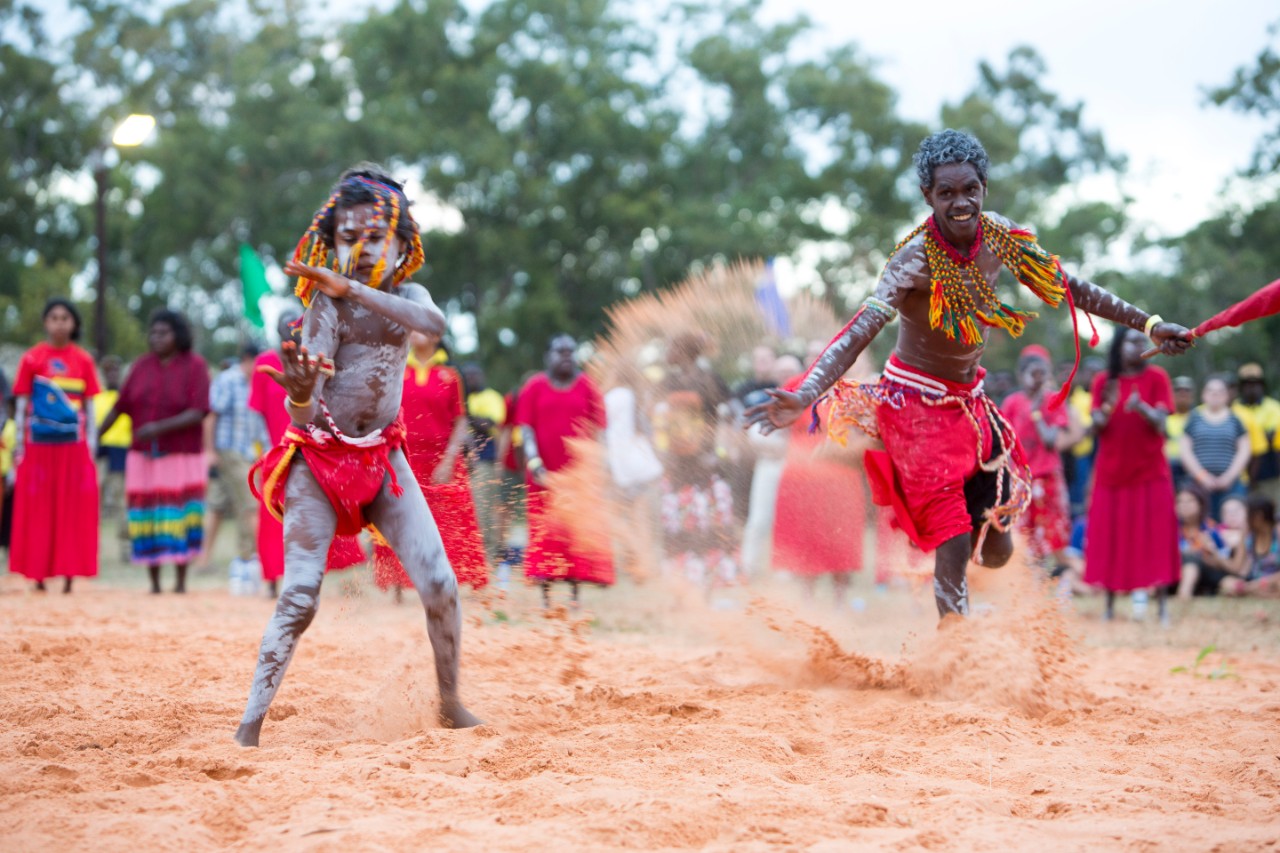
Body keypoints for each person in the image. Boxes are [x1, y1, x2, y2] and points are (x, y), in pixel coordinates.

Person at [746, 129, 1193, 620]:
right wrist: (808, 391)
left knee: (997, 550)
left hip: (970, 403)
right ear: (928, 196)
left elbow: (1069, 286)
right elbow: (859, 331)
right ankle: (955, 649)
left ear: (984, 187)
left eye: (969, 190)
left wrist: (1148, 323)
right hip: (913, 406)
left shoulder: (999, 235)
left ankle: (972, 574)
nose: (960, 203)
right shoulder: (913, 259)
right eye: (946, 193)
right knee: (953, 535)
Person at [236, 165, 478, 746]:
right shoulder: (326, 306)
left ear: (402, 243)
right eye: (349, 239)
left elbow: (432, 325)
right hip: (318, 465)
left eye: (375, 238)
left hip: (383, 463)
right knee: (298, 598)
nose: (362, 249)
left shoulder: (409, 296)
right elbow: (304, 412)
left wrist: (355, 288)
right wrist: (298, 393)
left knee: (441, 585)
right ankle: (249, 726)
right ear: (331, 243)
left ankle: (449, 703)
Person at [247, 307, 364, 598]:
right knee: (273, 513)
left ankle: (314, 579)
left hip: (313, 448)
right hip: (277, 449)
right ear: (276, 331)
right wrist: (261, 450)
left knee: (318, 511)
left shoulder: (318, 360)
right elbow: (255, 413)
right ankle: (274, 579)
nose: (290, 329)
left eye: (295, 324)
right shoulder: (265, 363)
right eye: (283, 325)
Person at [100, 309, 209, 594]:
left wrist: (157, 428)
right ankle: (154, 583)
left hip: (181, 455)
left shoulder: (195, 366)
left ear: (179, 335)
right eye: (153, 333)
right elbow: (120, 407)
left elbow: (198, 412)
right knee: (147, 514)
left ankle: (181, 582)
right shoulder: (141, 366)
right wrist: (92, 437)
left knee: (179, 515)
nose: (156, 338)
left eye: (164, 333)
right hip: (142, 455)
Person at [373, 331, 489, 598]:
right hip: (404, 456)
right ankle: (398, 585)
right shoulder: (397, 370)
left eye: (420, 328)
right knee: (398, 516)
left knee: (451, 519)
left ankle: (454, 579)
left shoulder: (450, 376)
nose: (414, 332)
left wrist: (449, 459)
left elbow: (460, 421)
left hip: (442, 460)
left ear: (435, 335)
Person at [1084, 328, 1181, 623]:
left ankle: (1162, 607)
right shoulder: (1104, 381)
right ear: (1119, 346)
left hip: (1151, 471)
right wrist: (1102, 414)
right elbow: (1097, 425)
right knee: (1112, 539)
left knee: (1157, 537)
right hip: (1112, 472)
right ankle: (1110, 607)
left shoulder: (1157, 379)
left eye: (1143, 341)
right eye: (1133, 341)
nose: (1139, 346)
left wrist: (1141, 408)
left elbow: (1162, 426)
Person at [9, 297, 101, 592]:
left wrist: (93, 444)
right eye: (54, 317)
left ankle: (70, 575)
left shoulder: (83, 360)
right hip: (38, 448)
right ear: (45, 322)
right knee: (38, 507)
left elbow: (89, 406)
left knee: (72, 508)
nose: (59, 322)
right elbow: (22, 403)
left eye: (65, 318)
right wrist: (19, 446)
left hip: (73, 449)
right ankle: (37, 574)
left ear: (73, 323)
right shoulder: (32, 359)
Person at [516, 334, 614, 608]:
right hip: (543, 475)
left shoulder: (588, 386)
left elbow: (601, 430)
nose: (566, 356)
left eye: (571, 351)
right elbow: (525, 429)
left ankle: (574, 597)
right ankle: (546, 596)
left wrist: (598, 464)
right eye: (560, 351)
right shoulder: (534, 387)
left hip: (578, 478)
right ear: (548, 355)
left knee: (574, 534)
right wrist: (534, 461)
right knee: (546, 534)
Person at [771, 360, 868, 605]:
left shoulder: (850, 390)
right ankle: (807, 599)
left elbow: (866, 428)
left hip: (841, 474)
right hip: (804, 475)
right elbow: (778, 421)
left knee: (841, 534)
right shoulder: (796, 386)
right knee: (807, 534)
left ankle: (840, 598)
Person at [655, 331, 740, 587]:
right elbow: (656, 419)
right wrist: (661, 452)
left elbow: (733, 412)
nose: (666, 353)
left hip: (705, 467)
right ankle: (682, 590)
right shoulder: (668, 381)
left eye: (671, 346)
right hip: (676, 466)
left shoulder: (709, 379)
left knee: (706, 530)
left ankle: (707, 590)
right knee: (678, 531)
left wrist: (719, 451)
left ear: (682, 351)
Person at [1000, 345, 1083, 571]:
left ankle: (1063, 584)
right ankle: (1031, 590)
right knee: (1022, 536)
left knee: (1054, 536)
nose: (1037, 380)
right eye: (1033, 374)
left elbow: (1051, 439)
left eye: (1042, 374)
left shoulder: (1053, 400)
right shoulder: (1012, 403)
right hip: (1020, 479)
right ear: (1021, 375)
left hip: (1048, 478)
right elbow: (1004, 444)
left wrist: (1036, 412)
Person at [203, 341, 267, 588]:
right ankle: (248, 557)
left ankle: (204, 560)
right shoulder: (228, 380)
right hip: (228, 450)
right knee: (250, 505)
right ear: (248, 360)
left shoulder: (256, 384)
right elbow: (211, 417)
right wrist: (210, 451)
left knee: (218, 504)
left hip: (248, 453)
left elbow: (258, 422)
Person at [1179, 375, 1251, 521]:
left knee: (1233, 522)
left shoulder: (1235, 419)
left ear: (1226, 395)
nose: (1215, 395)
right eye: (1211, 391)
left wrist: (1229, 477)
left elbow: (1244, 449)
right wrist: (1202, 476)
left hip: (1231, 485)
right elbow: (1185, 450)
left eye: (1219, 391)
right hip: (1199, 485)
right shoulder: (1194, 418)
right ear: (1204, 395)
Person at [460, 360, 507, 564]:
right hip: (461, 460)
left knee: (483, 509)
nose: (471, 380)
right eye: (467, 376)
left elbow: (490, 423)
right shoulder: (462, 398)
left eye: (474, 375)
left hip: (484, 460)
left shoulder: (492, 397)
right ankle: (467, 555)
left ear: (481, 376)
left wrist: (465, 416)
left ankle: (487, 555)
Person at [1173, 482, 1233, 599]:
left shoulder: (1211, 530)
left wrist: (1211, 552)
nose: (1184, 505)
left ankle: (1184, 594)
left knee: (1193, 558)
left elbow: (1225, 563)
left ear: (1200, 504)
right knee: (1189, 557)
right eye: (1180, 501)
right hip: (1176, 573)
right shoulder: (1170, 530)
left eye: (1190, 501)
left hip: (1207, 573)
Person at [1234, 363, 1280, 505]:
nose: (1252, 388)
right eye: (1247, 384)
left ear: (1262, 385)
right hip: (1240, 474)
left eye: (1256, 384)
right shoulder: (1234, 408)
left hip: (1270, 474)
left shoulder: (1274, 408)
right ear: (1241, 387)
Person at [1222, 494, 1280, 597]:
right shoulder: (1248, 535)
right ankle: (1262, 594)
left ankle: (1254, 593)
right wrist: (1214, 555)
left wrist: (1253, 586)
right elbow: (1236, 568)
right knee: (1226, 582)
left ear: (1258, 516)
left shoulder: (1277, 532)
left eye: (1247, 515)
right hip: (1253, 582)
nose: (1245, 519)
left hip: (1273, 581)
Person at [1165, 376, 1196, 483]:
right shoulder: (1163, 418)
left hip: (1193, 469)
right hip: (1168, 468)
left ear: (1192, 395)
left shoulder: (1199, 417)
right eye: (1178, 390)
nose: (1182, 394)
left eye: (1186, 391)